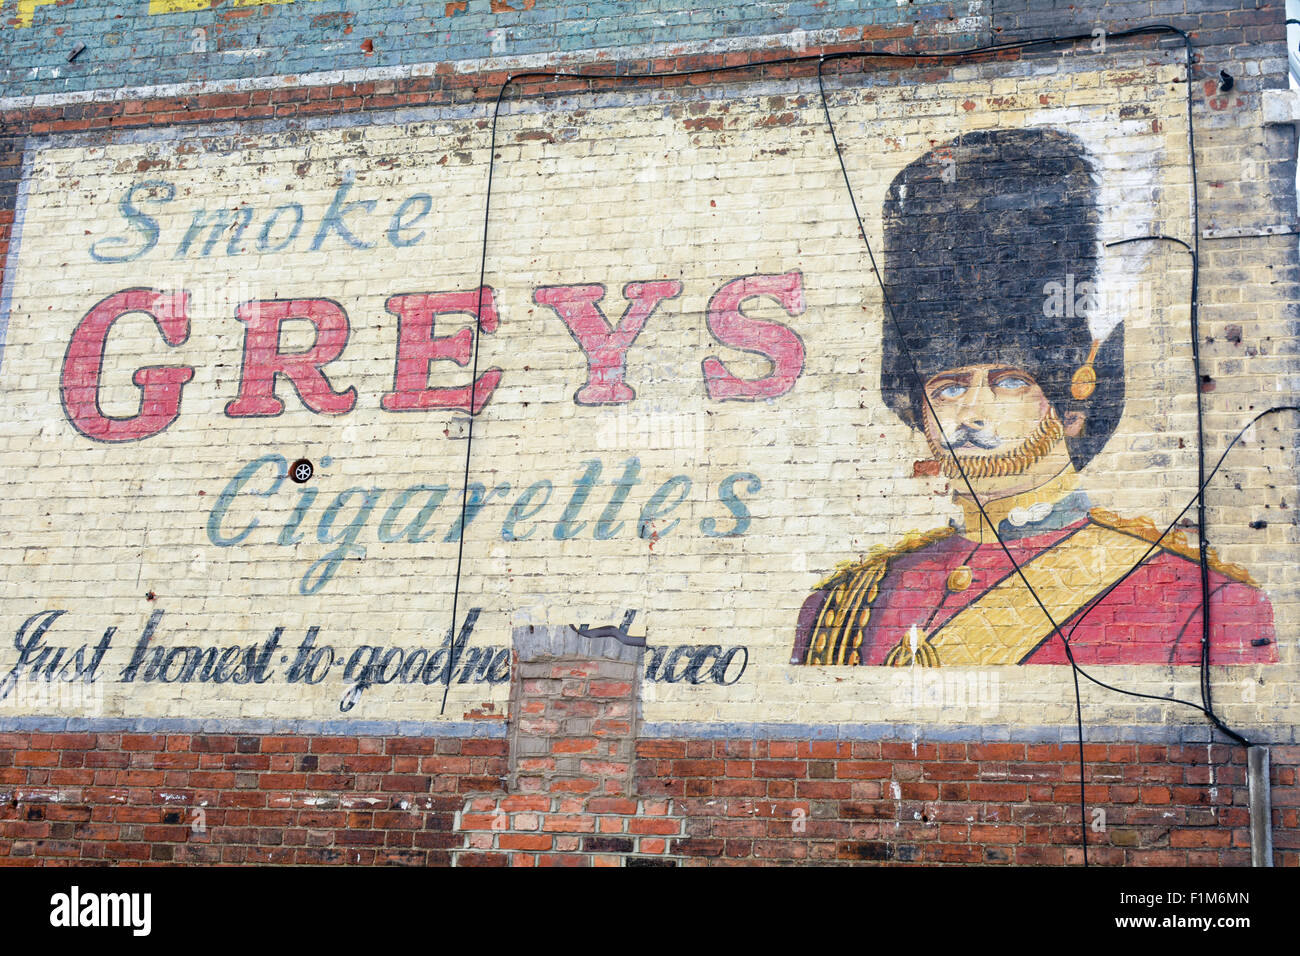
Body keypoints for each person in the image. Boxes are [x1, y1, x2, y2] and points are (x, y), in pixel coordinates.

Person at [791, 127, 1276, 668]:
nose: (971, 412)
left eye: (1008, 382)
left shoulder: (1207, 605)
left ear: (1072, 411)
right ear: (921, 415)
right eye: (948, 389)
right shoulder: (840, 609)